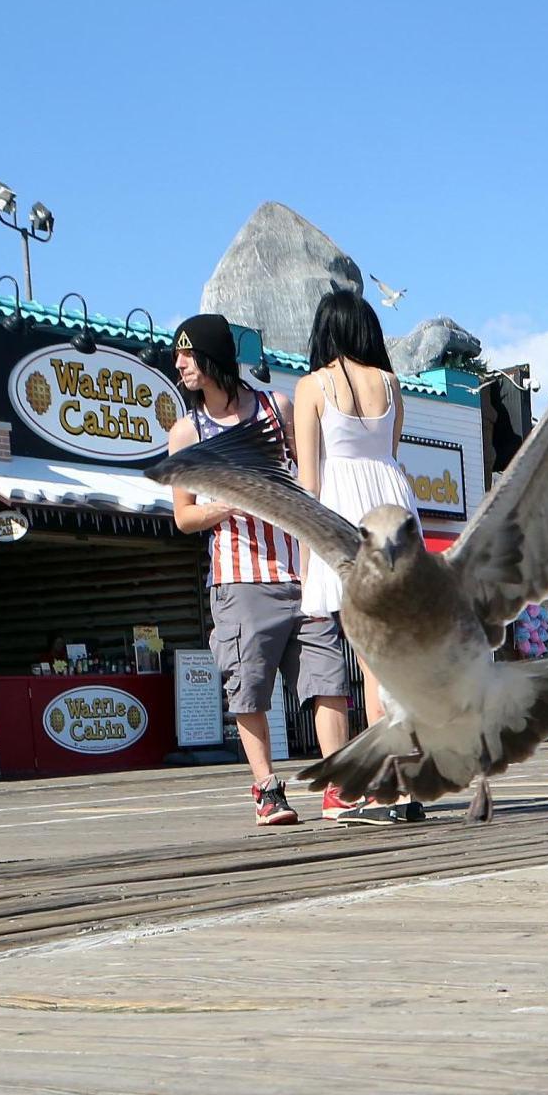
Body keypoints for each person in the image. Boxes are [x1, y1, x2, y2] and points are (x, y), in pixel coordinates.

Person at [167, 313, 351, 826]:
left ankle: (337, 786)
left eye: (188, 353)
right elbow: (184, 517)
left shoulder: (278, 406)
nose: (180, 364)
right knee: (248, 687)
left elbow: (308, 474)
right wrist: (230, 502)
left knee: (328, 679)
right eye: (178, 355)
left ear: (214, 358)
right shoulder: (187, 432)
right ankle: (268, 789)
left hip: (302, 567)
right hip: (239, 580)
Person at [295, 291, 424, 824]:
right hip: (393, 511)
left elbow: (308, 479)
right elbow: (390, 453)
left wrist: (307, 559)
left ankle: (387, 787)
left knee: (372, 665)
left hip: (344, 517)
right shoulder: (391, 384)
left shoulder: (312, 386)